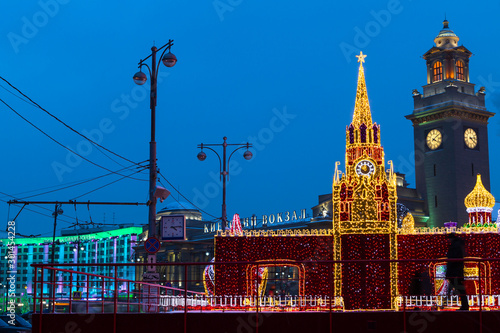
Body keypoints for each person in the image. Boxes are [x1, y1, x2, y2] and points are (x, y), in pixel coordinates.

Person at [446, 233, 468, 310]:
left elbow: (452, 259)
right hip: (457, 271)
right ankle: (464, 304)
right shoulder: (458, 245)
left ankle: (464, 304)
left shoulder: (454, 246)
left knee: (459, 287)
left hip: (454, 271)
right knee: (460, 288)